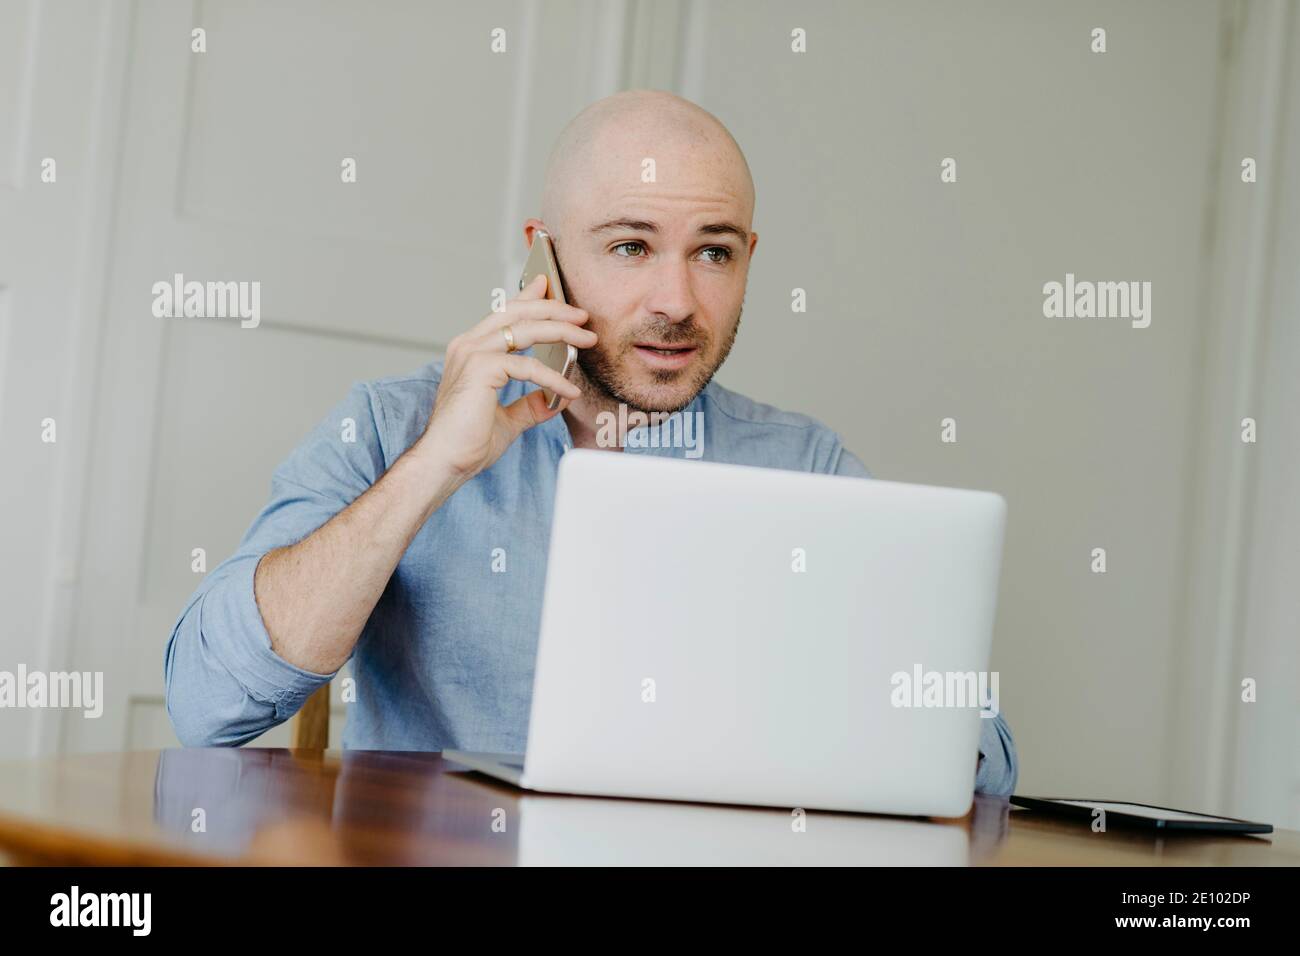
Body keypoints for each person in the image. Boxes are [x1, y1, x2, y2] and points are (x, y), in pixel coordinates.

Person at [164, 89, 1018, 796]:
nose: (677, 300)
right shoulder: (391, 426)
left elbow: (978, 766)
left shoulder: (807, 467)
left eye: (713, 253)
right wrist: (433, 468)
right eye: (630, 245)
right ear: (546, 257)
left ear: (749, 259)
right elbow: (208, 703)